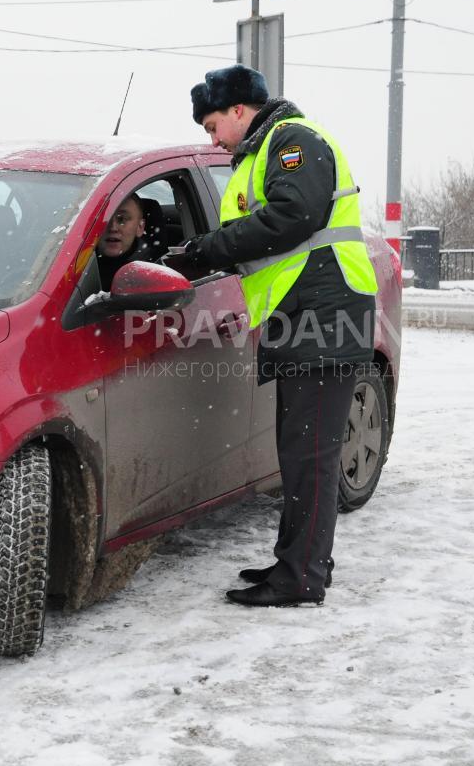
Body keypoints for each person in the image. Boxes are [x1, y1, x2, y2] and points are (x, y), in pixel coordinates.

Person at [184, 64, 379, 608]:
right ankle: (297, 561)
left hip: (325, 313)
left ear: (239, 111)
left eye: (213, 124)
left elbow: (295, 215)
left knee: (310, 455)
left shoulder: (292, 141)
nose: (213, 137)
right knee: (297, 453)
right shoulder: (259, 153)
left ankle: (301, 578)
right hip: (302, 316)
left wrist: (210, 248)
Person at [96, 193, 147, 289]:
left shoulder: (148, 273)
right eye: (105, 218)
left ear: (140, 227)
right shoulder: (73, 261)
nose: (113, 227)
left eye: (122, 219)